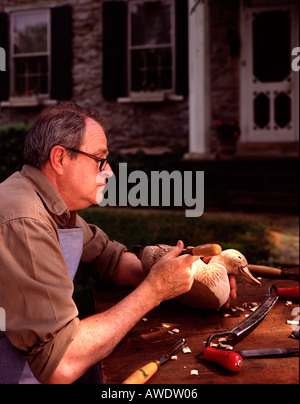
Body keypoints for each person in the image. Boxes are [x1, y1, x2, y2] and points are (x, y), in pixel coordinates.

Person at [0, 102, 237, 384]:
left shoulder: (52, 204)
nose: (109, 171)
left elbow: (109, 260)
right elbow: (60, 362)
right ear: (60, 158)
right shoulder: (25, 220)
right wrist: (154, 290)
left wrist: (190, 273)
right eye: (100, 159)